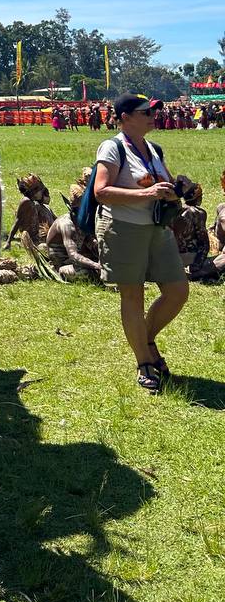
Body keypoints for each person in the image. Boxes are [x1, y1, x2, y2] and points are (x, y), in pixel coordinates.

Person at [92, 93, 187, 395]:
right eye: (145, 112)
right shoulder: (112, 146)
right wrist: (147, 194)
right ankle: (145, 363)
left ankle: (144, 338)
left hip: (157, 229)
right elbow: (101, 191)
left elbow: (166, 187)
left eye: (153, 111)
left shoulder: (154, 148)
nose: (152, 115)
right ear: (124, 118)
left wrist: (176, 190)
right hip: (123, 228)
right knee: (132, 296)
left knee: (177, 291)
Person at [5, 175, 54, 248]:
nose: (41, 191)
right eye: (38, 189)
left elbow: (47, 200)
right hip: (32, 239)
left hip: (37, 236)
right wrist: (8, 242)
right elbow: (17, 221)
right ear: (32, 191)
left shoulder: (34, 202)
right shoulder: (26, 201)